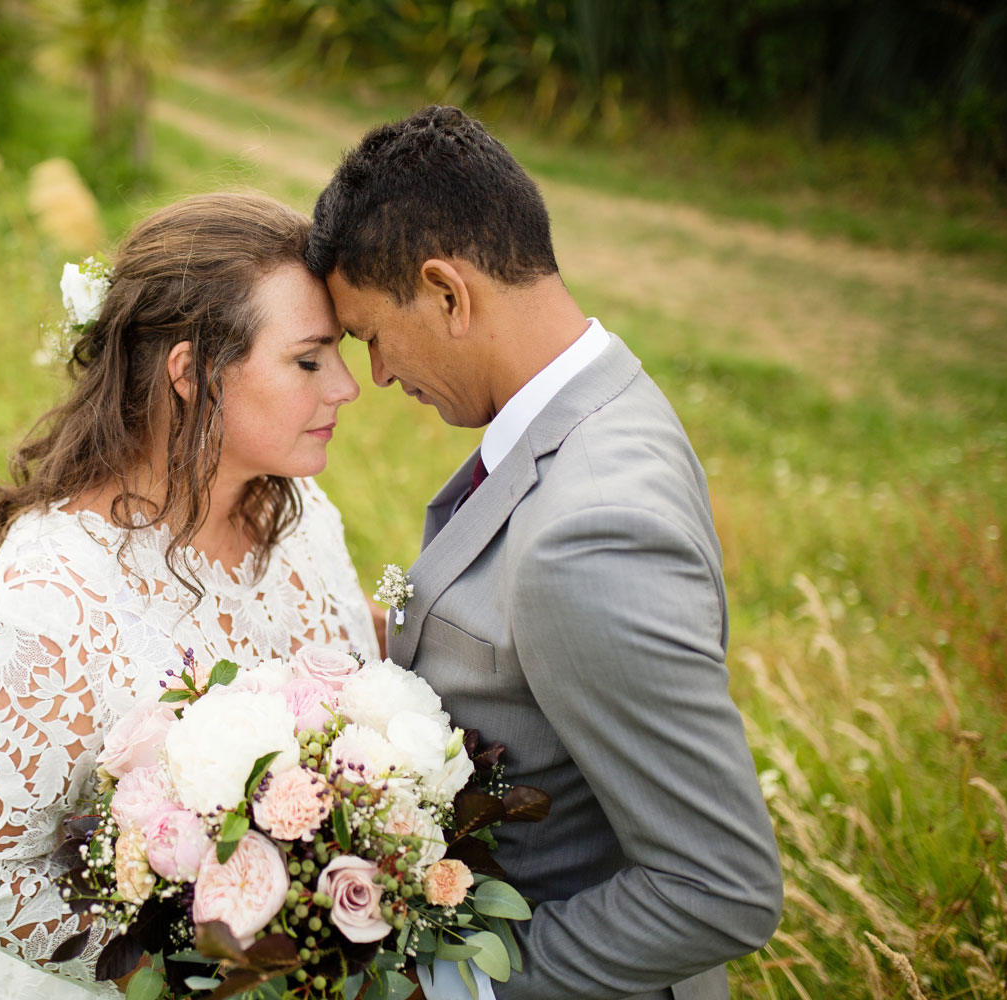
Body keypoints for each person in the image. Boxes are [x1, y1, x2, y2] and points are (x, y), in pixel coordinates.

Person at [306, 106, 783, 1000]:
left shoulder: (590, 536)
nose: (375, 376)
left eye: (371, 335)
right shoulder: (599, 400)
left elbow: (720, 891)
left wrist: (451, 981)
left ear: (448, 293)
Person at [0, 192, 377, 1000]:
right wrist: (182, 976)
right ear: (191, 373)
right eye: (309, 359)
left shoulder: (300, 514)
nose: (346, 388)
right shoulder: (53, 596)